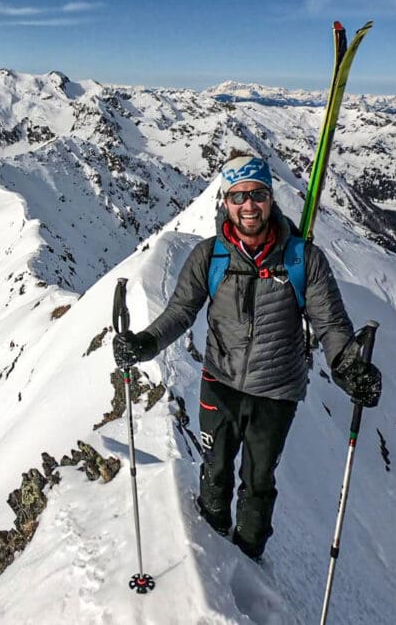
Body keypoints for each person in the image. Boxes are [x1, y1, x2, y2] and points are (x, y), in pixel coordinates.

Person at [113, 153, 382, 561]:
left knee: (257, 482)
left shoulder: (303, 259)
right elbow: (181, 310)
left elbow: (330, 324)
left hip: (276, 392)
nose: (248, 205)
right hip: (219, 383)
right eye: (238, 196)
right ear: (225, 202)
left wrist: (348, 368)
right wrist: (146, 344)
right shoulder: (210, 256)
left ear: (271, 199)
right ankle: (211, 544)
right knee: (215, 470)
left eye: (257, 194)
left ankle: (249, 558)